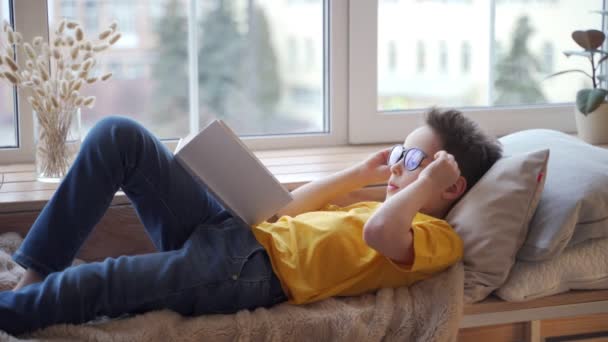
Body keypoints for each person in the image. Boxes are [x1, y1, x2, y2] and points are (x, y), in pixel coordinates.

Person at [0, 108, 502, 335]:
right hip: (234, 232)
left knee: (103, 282)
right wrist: (360, 172)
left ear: (449, 186)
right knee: (119, 135)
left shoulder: (437, 238)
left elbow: (381, 235)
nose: (398, 169)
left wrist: (423, 187)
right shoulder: (379, 206)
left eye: (413, 163)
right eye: (399, 154)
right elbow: (282, 212)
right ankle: (36, 271)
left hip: (250, 272)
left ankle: (14, 312)